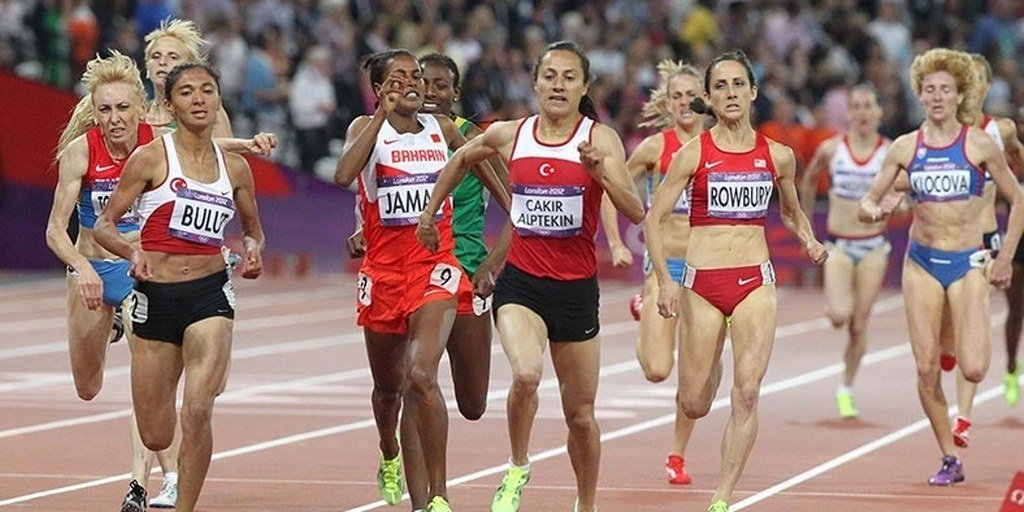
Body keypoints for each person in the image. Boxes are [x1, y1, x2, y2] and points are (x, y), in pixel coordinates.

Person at [417, 41, 645, 512]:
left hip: (576, 292)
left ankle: (586, 504)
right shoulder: (510, 134)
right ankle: (518, 465)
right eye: (549, 76)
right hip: (522, 284)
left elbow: (635, 210)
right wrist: (429, 212)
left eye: (569, 77)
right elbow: (460, 159)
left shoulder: (600, 139)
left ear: (583, 87)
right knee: (525, 374)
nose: (558, 85)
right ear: (536, 83)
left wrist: (601, 173)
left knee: (580, 417)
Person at [645, 50, 827, 512]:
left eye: (738, 84)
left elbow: (791, 212)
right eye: (720, 86)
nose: (730, 93)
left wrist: (808, 240)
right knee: (694, 403)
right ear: (708, 98)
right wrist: (665, 281)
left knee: (747, 393)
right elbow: (653, 219)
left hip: (754, 282)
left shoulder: (778, 156)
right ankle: (712, 365)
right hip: (702, 285)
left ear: (753, 92)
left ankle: (722, 498)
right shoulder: (692, 154)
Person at [333, 49, 505, 512]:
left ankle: (436, 498)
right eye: (399, 78)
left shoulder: (443, 129)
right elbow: (344, 174)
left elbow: (490, 176)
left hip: (436, 267)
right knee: (389, 390)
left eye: (417, 77)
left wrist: (508, 228)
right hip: (384, 275)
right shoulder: (363, 128)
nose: (413, 84)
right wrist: (380, 116)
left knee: (421, 375)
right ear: (379, 88)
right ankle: (388, 448)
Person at [93, 61, 266, 512]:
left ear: (218, 100)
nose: (199, 99)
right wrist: (132, 253)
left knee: (198, 410)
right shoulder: (151, 158)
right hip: (156, 298)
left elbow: (253, 231)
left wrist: (252, 249)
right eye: (187, 92)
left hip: (210, 295)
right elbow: (105, 225)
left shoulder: (236, 168)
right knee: (156, 433)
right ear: (169, 105)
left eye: (207, 90)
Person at [859, 48, 1023, 486]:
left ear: (959, 96)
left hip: (968, 262)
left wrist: (1005, 256)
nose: (936, 96)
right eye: (929, 89)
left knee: (973, 368)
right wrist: (874, 210)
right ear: (920, 95)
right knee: (926, 367)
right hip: (922, 263)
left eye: (945, 89)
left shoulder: (979, 144)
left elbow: (1018, 197)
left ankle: (958, 344)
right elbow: (870, 199)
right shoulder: (905, 147)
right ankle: (949, 455)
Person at [44, 51, 177, 512]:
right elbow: (54, 229)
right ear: (94, 111)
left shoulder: (160, 146)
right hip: (93, 268)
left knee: (147, 381)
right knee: (88, 386)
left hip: (140, 270)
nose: (115, 118)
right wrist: (81, 268)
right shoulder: (81, 151)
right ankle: (110, 322)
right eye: (105, 109)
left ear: (140, 108)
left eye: (123, 108)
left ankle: (137, 485)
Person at [600, 59, 714, 485]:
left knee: (696, 380)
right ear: (666, 104)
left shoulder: (720, 145)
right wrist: (615, 241)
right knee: (656, 369)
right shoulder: (654, 148)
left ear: (704, 100)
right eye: (676, 96)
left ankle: (677, 455)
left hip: (707, 269)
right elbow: (611, 189)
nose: (684, 103)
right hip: (665, 267)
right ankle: (642, 303)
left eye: (691, 96)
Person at [799, 85, 891, 419]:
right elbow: (808, 182)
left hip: (873, 247)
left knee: (858, 325)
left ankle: (846, 389)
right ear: (849, 113)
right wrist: (806, 230)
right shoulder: (831, 149)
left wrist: (896, 203)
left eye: (868, 105)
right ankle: (838, 310)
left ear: (879, 112)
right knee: (839, 316)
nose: (863, 112)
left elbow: (904, 192)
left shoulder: (889, 152)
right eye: (857, 106)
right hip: (838, 244)